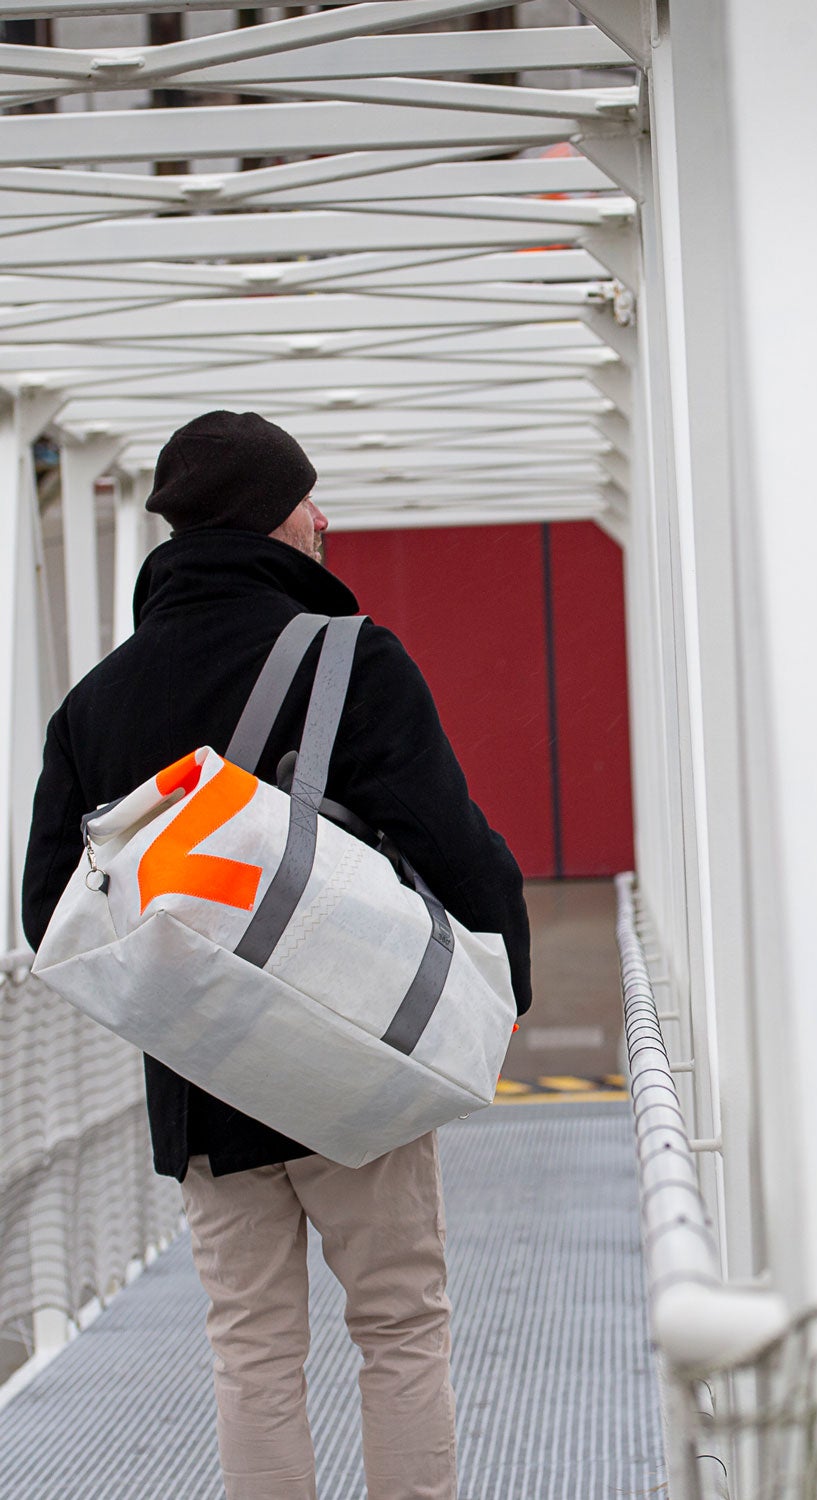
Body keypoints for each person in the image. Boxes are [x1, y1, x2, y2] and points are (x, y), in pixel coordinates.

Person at [22, 410, 531, 1500]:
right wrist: (504, 988)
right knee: (399, 1323)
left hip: (202, 1077)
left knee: (251, 1350)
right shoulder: (354, 659)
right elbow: (457, 849)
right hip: (356, 1056)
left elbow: (43, 913)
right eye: (309, 499)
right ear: (272, 518)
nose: (324, 517)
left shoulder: (90, 707)